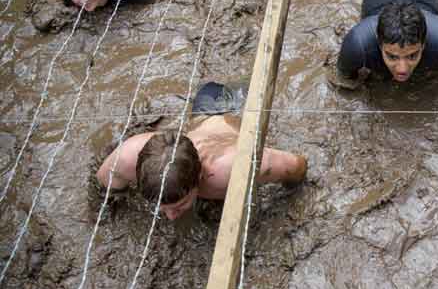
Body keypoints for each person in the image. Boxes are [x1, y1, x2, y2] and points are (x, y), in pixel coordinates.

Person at [96, 82, 307, 221]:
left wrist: (291, 191)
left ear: (201, 176)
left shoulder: (230, 169)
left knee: (242, 89)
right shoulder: (126, 158)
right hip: (199, 123)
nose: (171, 217)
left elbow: (297, 166)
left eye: (180, 206)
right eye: (162, 209)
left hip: (223, 109)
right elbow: (102, 186)